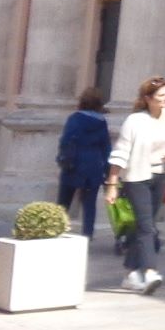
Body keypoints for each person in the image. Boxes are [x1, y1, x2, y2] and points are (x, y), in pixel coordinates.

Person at [104, 76, 165, 294]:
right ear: (148, 98)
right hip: (136, 178)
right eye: (160, 96)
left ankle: (130, 273)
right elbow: (120, 152)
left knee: (145, 225)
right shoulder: (135, 121)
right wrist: (112, 184)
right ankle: (150, 271)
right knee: (146, 226)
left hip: (161, 175)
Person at [54, 88, 112, 240]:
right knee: (89, 203)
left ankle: (56, 228)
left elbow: (66, 139)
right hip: (93, 165)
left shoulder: (75, 118)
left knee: (64, 199)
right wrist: (108, 170)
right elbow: (106, 146)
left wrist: (61, 158)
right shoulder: (101, 122)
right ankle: (88, 233)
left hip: (74, 163)